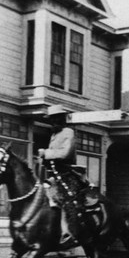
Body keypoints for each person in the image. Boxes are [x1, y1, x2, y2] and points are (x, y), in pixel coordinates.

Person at [38, 105, 77, 247]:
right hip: (52, 173)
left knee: (61, 199)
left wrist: (46, 153)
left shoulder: (69, 132)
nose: (53, 122)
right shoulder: (54, 134)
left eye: (56, 118)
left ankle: (67, 233)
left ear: (62, 119)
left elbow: (65, 153)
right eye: (51, 119)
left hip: (64, 173)